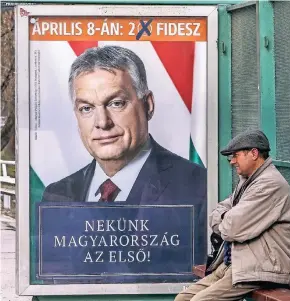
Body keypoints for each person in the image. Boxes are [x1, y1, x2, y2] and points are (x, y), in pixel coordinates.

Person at [40, 45, 207, 264]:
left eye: (116, 103)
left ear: (148, 105)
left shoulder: (199, 188)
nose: (102, 122)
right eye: (87, 108)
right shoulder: (56, 195)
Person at [175, 129, 290, 301]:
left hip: (261, 268)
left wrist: (226, 218)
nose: (232, 161)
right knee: (183, 298)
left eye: (236, 155)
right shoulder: (249, 180)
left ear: (254, 153)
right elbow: (219, 212)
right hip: (236, 264)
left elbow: (231, 228)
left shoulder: (269, 184)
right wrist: (226, 217)